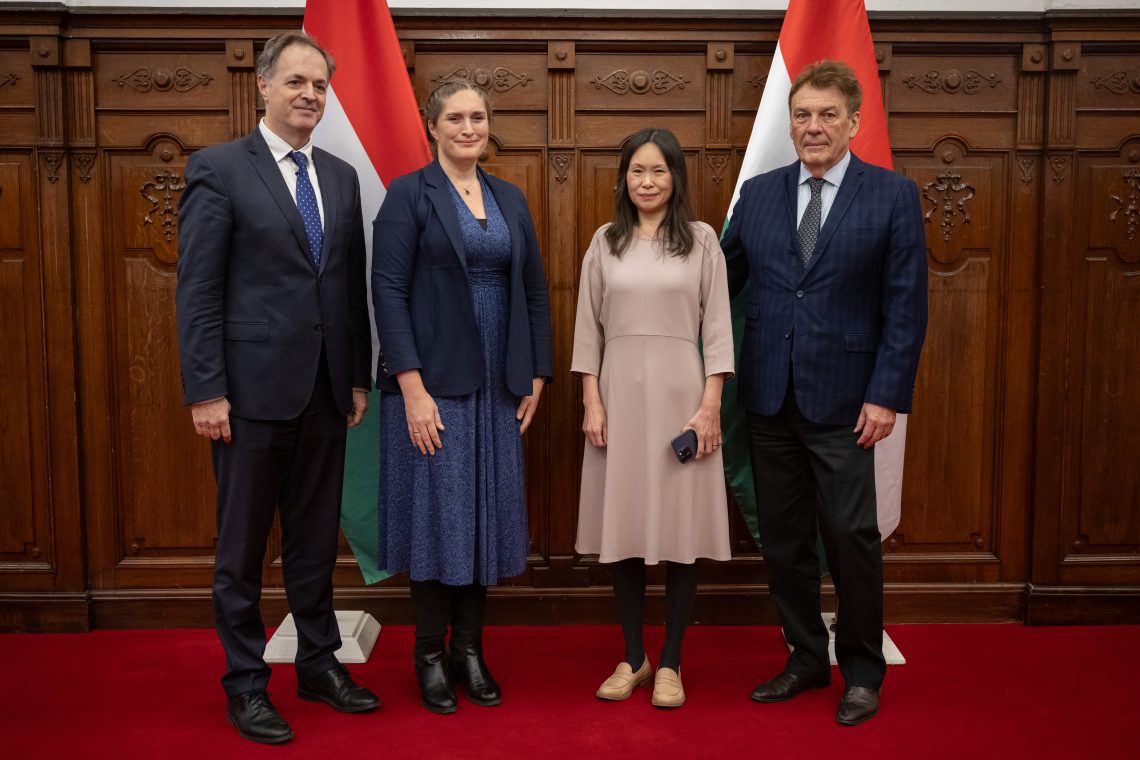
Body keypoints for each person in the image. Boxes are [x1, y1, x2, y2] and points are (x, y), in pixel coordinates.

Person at [175, 31, 379, 744]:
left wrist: (358, 378)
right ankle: (246, 685)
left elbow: (348, 288)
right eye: (295, 82)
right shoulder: (221, 169)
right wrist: (206, 391)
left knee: (316, 544)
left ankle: (320, 666)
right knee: (241, 553)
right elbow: (197, 291)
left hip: (326, 395)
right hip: (247, 399)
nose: (309, 96)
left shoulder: (344, 178)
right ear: (263, 86)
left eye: (319, 86)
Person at [721, 59, 928, 726]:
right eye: (803, 115)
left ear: (854, 122)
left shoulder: (892, 196)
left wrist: (886, 394)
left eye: (827, 115)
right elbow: (715, 283)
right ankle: (806, 659)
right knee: (783, 542)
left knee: (851, 539)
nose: (813, 127)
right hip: (768, 398)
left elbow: (906, 306)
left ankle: (862, 671)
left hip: (848, 404)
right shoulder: (758, 194)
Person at [371, 80, 552, 715]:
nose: (468, 127)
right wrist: (411, 388)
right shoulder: (408, 194)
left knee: (483, 517)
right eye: (455, 117)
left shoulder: (509, 196)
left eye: (477, 117)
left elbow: (534, 290)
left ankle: (469, 649)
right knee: (436, 520)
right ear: (433, 126)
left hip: (500, 385)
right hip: (432, 387)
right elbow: (387, 293)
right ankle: (427, 653)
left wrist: (535, 375)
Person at [571, 128, 734, 709]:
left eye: (659, 171)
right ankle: (634, 655)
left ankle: (671, 663)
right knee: (626, 530)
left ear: (675, 178)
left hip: (682, 400)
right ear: (623, 178)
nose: (647, 181)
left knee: (681, 531)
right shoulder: (604, 242)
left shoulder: (700, 240)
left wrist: (710, 404)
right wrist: (591, 401)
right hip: (616, 400)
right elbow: (586, 327)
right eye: (637, 171)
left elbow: (717, 326)